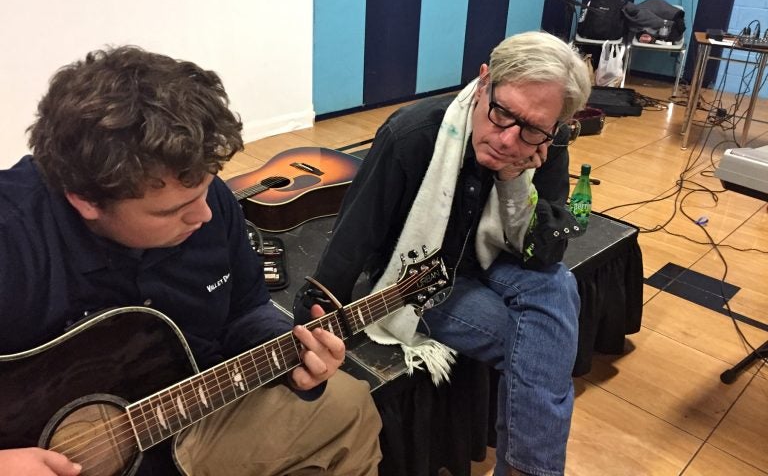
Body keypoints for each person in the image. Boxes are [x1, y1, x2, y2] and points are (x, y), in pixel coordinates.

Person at [0, 46, 382, 475]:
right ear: (85, 200)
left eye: (206, 189)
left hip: (185, 410)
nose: (203, 214)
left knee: (347, 403)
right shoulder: (13, 237)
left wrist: (292, 352)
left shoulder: (205, 199)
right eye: (170, 211)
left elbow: (246, 308)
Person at [294, 31, 591, 476]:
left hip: (498, 258)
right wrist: (313, 319)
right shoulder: (411, 133)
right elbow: (353, 237)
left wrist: (514, 184)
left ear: (555, 125)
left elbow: (546, 253)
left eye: (531, 129)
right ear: (484, 80)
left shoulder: (547, 143)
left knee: (559, 285)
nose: (510, 140)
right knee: (539, 350)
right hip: (426, 275)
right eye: (503, 113)